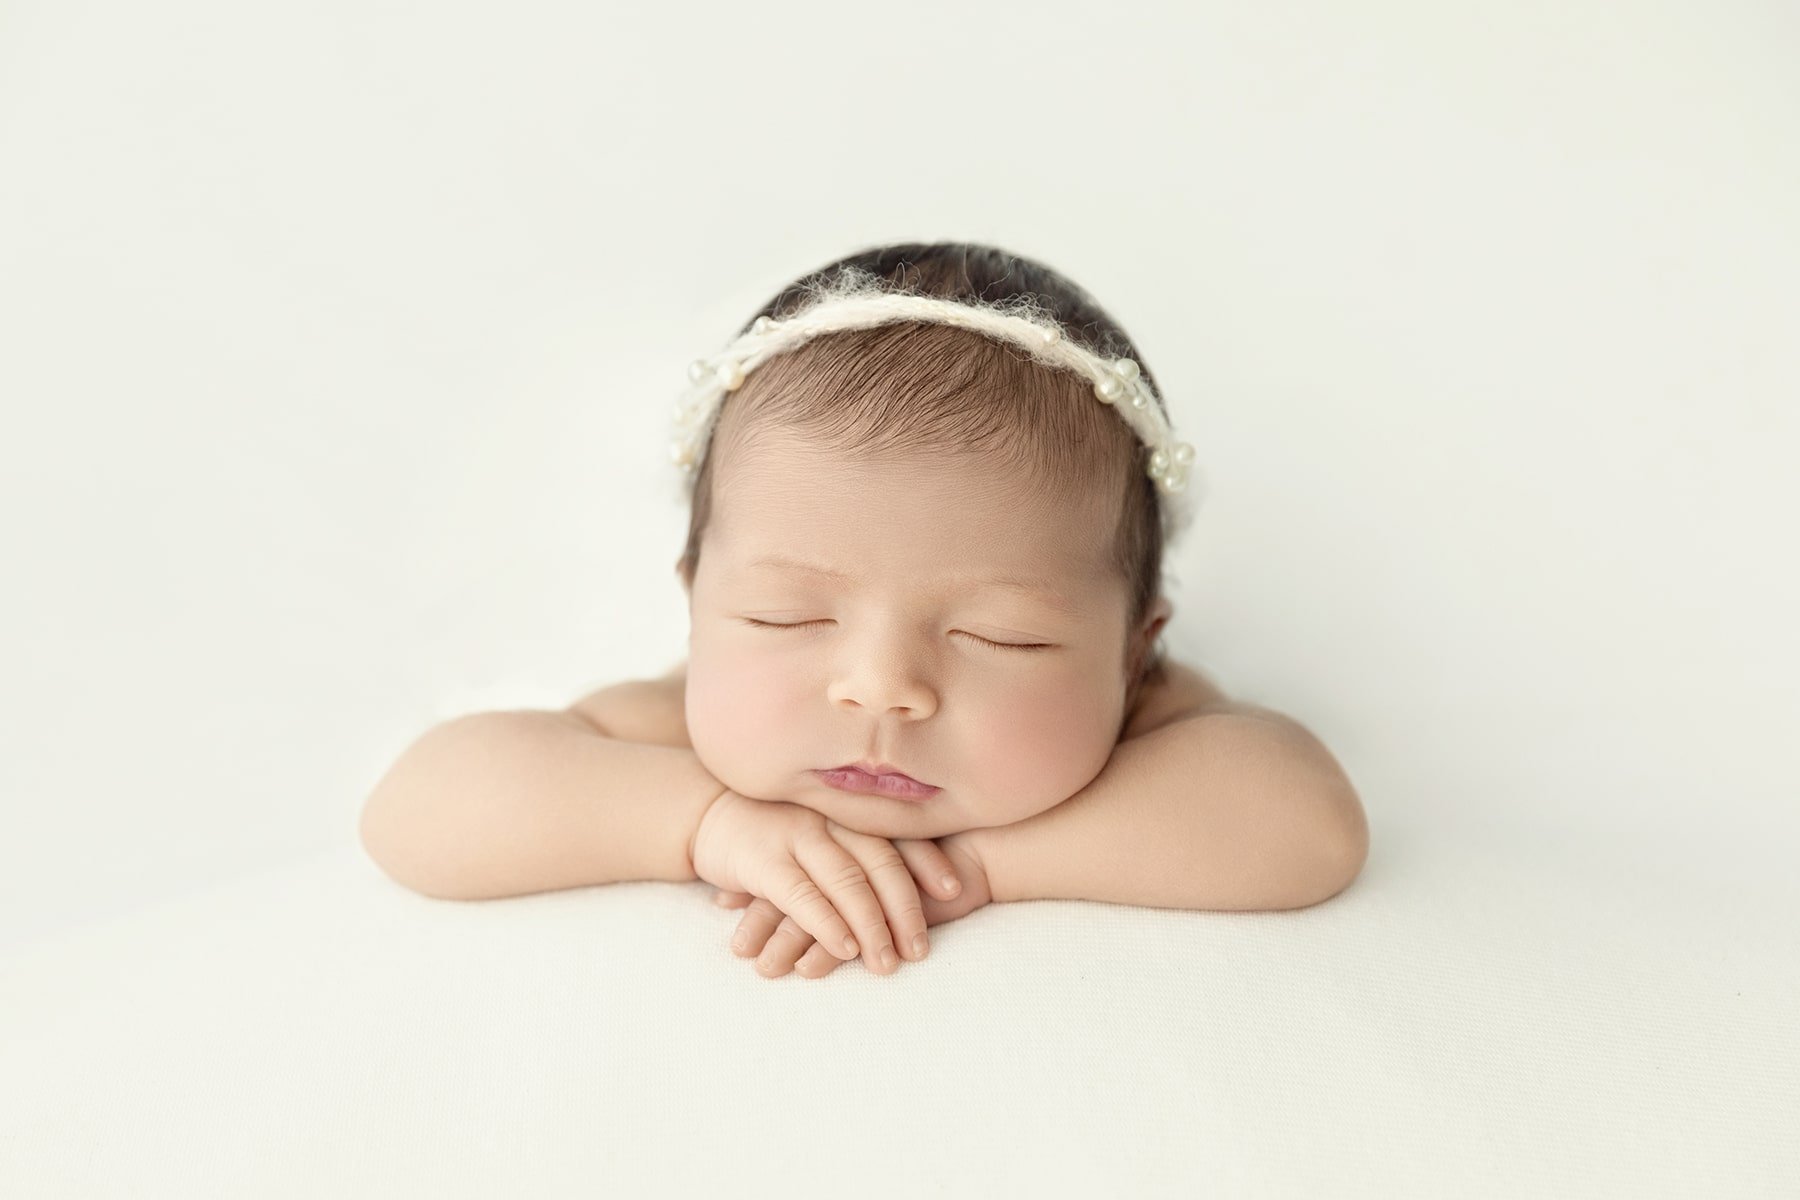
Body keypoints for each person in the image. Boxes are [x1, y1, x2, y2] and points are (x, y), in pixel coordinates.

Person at [360, 240, 1368, 982]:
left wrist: (973, 866)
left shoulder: (1155, 722)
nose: (883, 687)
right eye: (785, 617)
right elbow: (415, 811)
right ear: (695, 604)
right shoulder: (670, 732)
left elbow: (1306, 825)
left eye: (1000, 636)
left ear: (1135, 653)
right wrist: (701, 824)